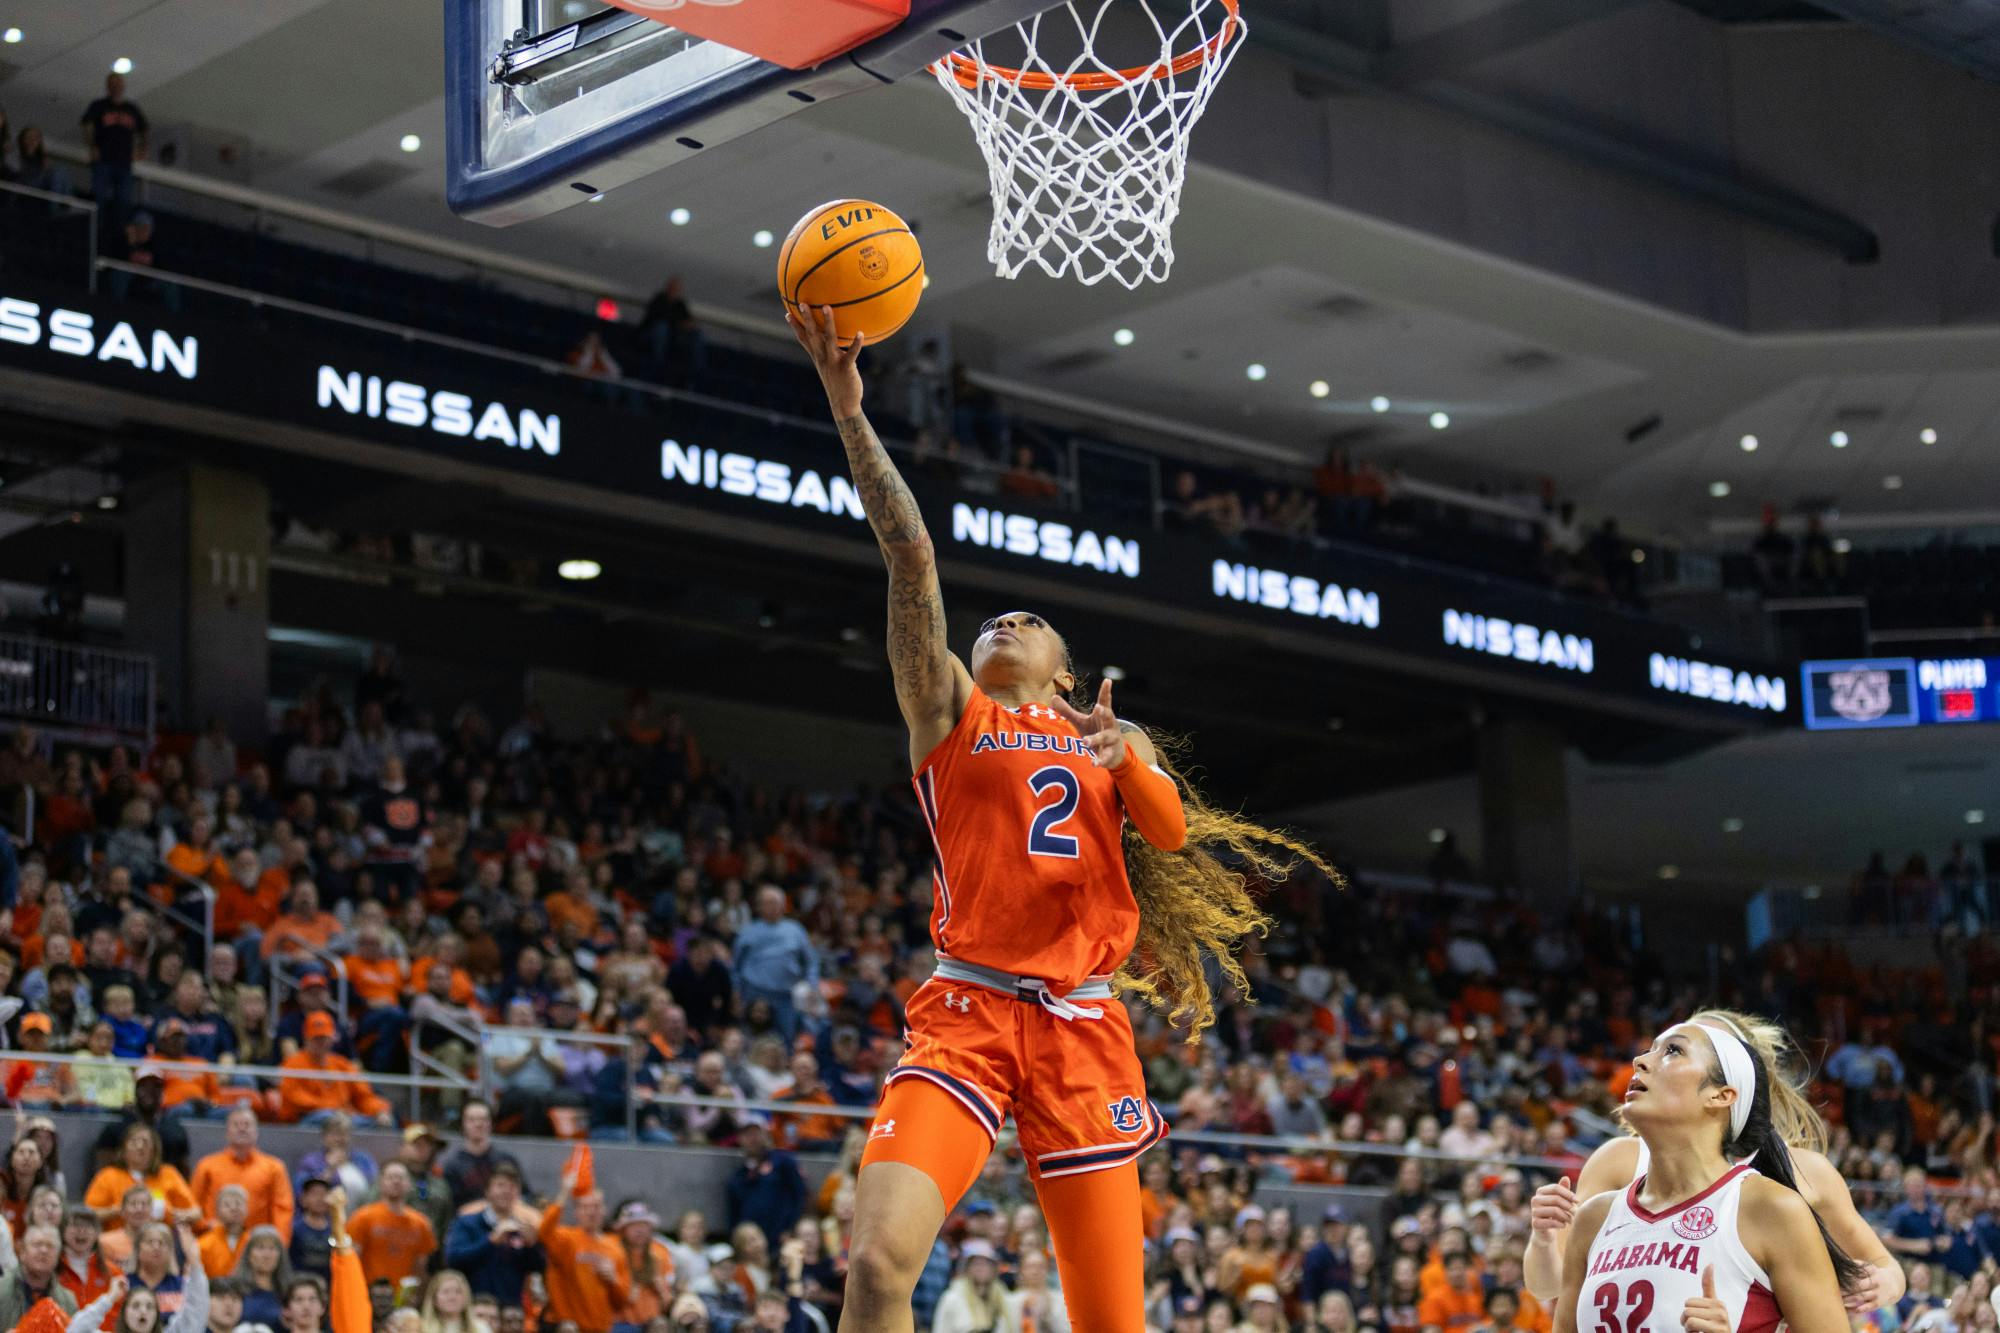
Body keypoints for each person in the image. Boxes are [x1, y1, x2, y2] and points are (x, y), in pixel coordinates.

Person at [783, 302, 1326, 1333]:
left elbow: (1166, 834)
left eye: (1027, 620)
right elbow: (909, 557)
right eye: (994, 619)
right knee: (874, 1266)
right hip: (969, 1011)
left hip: (1080, 1024)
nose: (1004, 621)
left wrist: (1127, 762)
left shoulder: (1111, 741)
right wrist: (849, 411)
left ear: (1066, 670)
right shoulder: (949, 710)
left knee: (1109, 1323)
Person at [1525, 1009, 1903, 1315]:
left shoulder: (1794, 1182)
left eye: (1676, 1050)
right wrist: (1543, 1239)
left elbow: (1883, 1267)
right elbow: (1550, 1282)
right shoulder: (1614, 1171)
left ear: (1730, 1084)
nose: (1643, 1061)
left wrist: (1880, 1285)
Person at [536, 1162, 628, 1333]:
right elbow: (543, 1232)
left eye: (596, 1206)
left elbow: (622, 1301)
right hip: (567, 1327)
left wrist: (614, 1279)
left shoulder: (615, 1247)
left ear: (604, 1211)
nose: (591, 1212)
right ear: (577, 1212)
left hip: (600, 1327)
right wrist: (564, 1192)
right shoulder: (566, 1237)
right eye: (585, 1207)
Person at [443, 1164, 542, 1306]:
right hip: (475, 1305)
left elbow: (538, 1267)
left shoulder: (522, 1228)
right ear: (488, 1191)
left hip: (510, 1309)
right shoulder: (467, 1223)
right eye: (500, 1185)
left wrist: (532, 1246)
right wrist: (490, 1241)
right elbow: (453, 1259)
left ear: (518, 1193)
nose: (506, 1191)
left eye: (512, 1186)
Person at [191, 1107, 295, 1241]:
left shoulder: (274, 1167)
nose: (242, 1129)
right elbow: (194, 1205)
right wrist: (204, 1227)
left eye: (247, 1125)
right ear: (227, 1132)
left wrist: (278, 1244)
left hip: (257, 1245)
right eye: (236, 1125)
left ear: (256, 1131)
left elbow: (282, 1209)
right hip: (213, 1242)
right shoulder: (206, 1165)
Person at [277, 1014, 393, 1127]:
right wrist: (332, 1107)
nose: (321, 1043)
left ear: (333, 1038)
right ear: (306, 1038)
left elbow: (364, 1096)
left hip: (345, 1118)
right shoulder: (292, 1064)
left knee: (383, 1121)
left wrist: (379, 1110)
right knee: (326, 1116)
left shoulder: (342, 1065)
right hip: (307, 1121)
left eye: (325, 1038)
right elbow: (295, 1098)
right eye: (316, 1038)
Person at [86, 1124, 199, 1233]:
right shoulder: (108, 1176)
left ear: (154, 1150)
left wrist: (172, 1214)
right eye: (134, 1142)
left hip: (161, 1241)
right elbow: (88, 1214)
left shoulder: (168, 1173)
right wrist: (120, 1210)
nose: (140, 1147)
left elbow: (195, 1213)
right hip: (119, 1241)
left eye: (145, 1143)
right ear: (123, 1149)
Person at [345, 1162, 436, 1290]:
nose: (396, 1181)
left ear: (409, 1184)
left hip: (404, 1296)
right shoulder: (362, 1217)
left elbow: (421, 1267)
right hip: (370, 1292)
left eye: (401, 1177)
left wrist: (418, 1293)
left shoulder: (421, 1223)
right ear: (381, 1183)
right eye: (391, 1177)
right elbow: (351, 1260)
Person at [80, 72, 148, 234]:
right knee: (99, 198)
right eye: (112, 83)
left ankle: (117, 233)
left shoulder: (131, 109)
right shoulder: (99, 106)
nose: (116, 86)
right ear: (108, 86)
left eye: (118, 83)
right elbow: (87, 126)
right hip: (104, 159)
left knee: (123, 201)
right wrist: (92, 147)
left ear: (123, 86)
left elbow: (144, 129)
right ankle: (97, 230)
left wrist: (142, 149)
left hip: (124, 162)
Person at [440, 1102, 523, 1210]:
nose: (478, 1124)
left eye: (484, 1119)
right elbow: (451, 1205)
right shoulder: (453, 1166)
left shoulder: (507, 1160)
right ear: (463, 1124)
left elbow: (524, 1194)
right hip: (469, 1221)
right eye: (472, 1120)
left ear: (491, 1124)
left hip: (507, 1217)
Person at [0, 1223, 76, 1326]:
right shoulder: (1, 1290)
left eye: (50, 1246)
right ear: (22, 1253)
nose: (44, 1250)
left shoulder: (68, 1301)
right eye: (37, 1244)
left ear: (58, 1257)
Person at [230, 1226, 291, 1329]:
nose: (266, 1255)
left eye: (272, 1248)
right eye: (260, 1248)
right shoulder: (234, 1288)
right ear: (248, 1254)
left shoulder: (288, 1291)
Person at [197, 1186, 253, 1279]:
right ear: (217, 1211)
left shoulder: (253, 1242)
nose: (234, 1208)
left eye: (238, 1204)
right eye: (227, 1205)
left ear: (247, 1209)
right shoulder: (203, 1245)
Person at [415, 1269, 489, 1333]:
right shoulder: (419, 1328)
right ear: (434, 1298)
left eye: (458, 1292)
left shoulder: (480, 1328)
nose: (452, 1297)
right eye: (445, 1292)